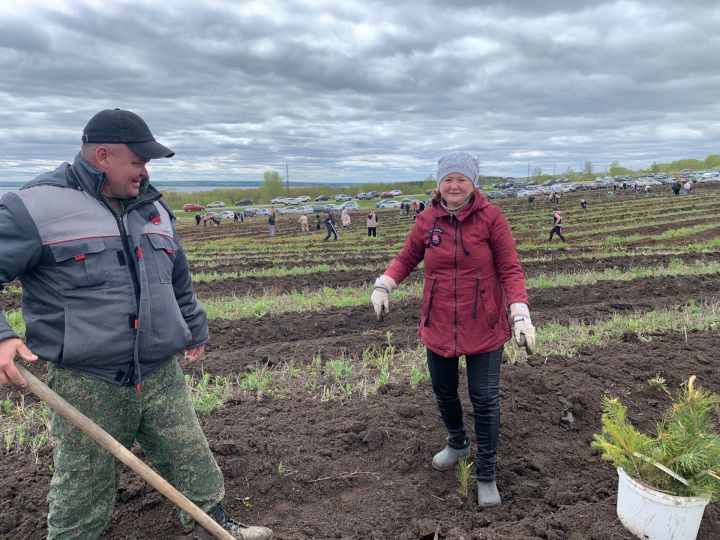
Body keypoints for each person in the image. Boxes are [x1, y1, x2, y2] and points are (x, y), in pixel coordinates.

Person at [0, 109, 272, 540]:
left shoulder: (154, 207)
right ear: (102, 156)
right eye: (138, 161)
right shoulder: (33, 207)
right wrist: (2, 336)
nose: (145, 171)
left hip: (159, 371)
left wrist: (193, 325)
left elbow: (176, 275)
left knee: (192, 459)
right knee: (81, 491)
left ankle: (213, 528)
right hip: (89, 381)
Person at [370, 152, 535, 508]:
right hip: (439, 321)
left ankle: (487, 473)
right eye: (448, 179)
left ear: (474, 183)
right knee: (444, 391)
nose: (454, 185)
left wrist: (519, 312)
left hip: (485, 324)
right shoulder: (427, 219)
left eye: (461, 179)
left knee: (485, 399)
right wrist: (384, 284)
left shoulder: (491, 218)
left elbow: (510, 268)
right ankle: (458, 442)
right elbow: (406, 257)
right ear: (439, 184)